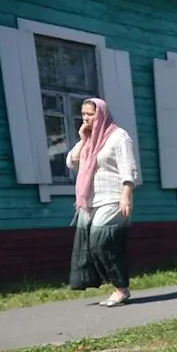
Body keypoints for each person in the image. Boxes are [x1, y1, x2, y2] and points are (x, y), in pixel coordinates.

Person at [66, 98, 139, 306]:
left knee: (102, 242)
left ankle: (121, 288)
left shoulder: (118, 136)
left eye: (91, 114)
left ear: (102, 114)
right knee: (88, 245)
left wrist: (125, 195)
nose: (86, 119)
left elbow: (129, 168)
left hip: (113, 198)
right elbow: (71, 162)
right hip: (89, 200)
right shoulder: (90, 139)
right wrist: (82, 139)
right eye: (83, 114)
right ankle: (113, 285)